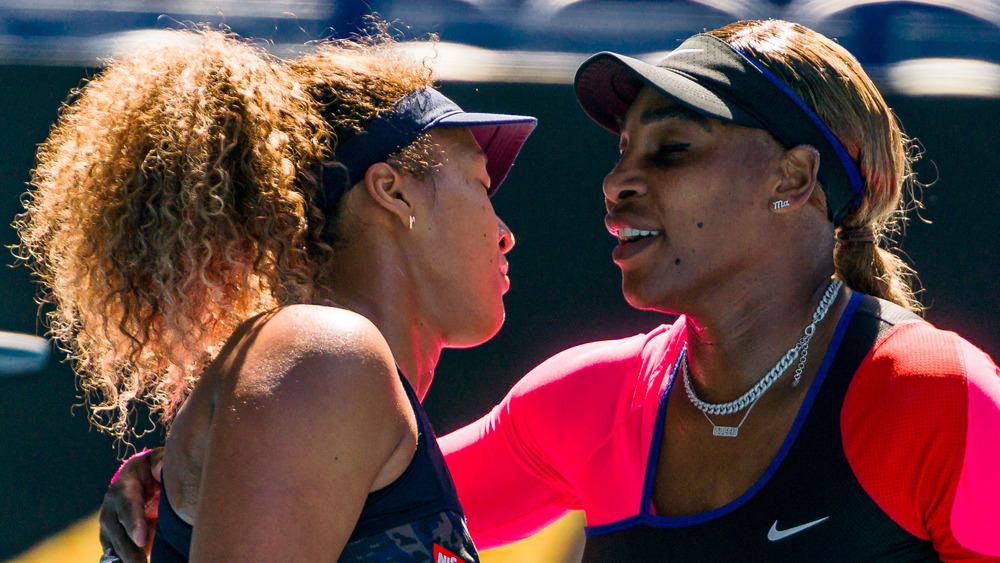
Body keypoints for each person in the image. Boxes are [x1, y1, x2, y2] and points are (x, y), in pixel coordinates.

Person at [99, 20, 1000, 561]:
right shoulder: (594, 397)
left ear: (796, 181)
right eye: (620, 154)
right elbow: (335, 488)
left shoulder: (937, 396)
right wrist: (176, 485)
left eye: (672, 149)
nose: (617, 184)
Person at [16, 29, 535, 562]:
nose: (503, 231)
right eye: (479, 183)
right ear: (392, 191)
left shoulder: (324, 375)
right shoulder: (325, 355)